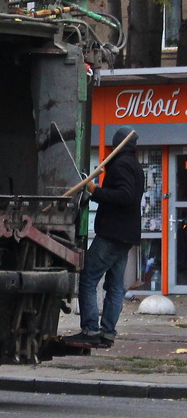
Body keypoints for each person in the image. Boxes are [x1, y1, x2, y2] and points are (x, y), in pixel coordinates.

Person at [64, 126, 145, 349]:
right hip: (126, 235)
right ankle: (107, 333)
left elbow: (125, 196)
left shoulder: (121, 165)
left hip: (112, 233)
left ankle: (90, 330)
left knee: (88, 278)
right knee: (115, 285)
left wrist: (95, 190)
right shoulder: (135, 166)